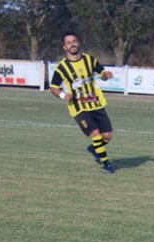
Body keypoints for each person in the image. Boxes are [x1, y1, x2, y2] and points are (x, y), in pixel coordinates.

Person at [49, 32, 116, 174]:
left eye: (74, 41)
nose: (72, 44)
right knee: (96, 135)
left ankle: (94, 148)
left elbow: (102, 73)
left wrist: (106, 75)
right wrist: (63, 95)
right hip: (79, 108)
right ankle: (106, 163)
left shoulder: (90, 60)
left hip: (95, 103)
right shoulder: (61, 68)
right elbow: (53, 87)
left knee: (107, 136)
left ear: (78, 43)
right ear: (64, 47)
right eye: (68, 42)